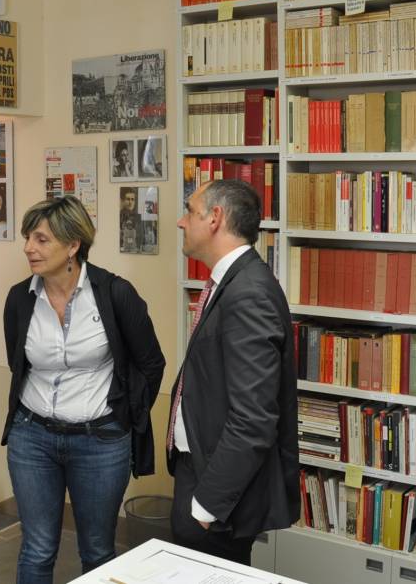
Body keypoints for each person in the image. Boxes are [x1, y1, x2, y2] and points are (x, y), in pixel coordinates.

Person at [2, 196, 165, 583]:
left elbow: (150, 363)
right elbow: (17, 363)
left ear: (73, 245)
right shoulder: (19, 298)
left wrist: (124, 416)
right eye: (28, 238)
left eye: (41, 239)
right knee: (37, 549)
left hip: (100, 442)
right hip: (32, 437)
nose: (29, 248)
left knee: (97, 550)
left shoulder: (115, 293)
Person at [168, 179, 299, 565]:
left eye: (190, 211)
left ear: (215, 218)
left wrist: (207, 505)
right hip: (202, 471)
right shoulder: (233, 282)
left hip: (214, 492)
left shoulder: (248, 292)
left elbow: (254, 418)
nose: (180, 221)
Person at [119, 187, 141, 253]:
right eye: (128, 199)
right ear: (123, 200)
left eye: (132, 199)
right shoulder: (120, 215)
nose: (130, 202)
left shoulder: (137, 217)